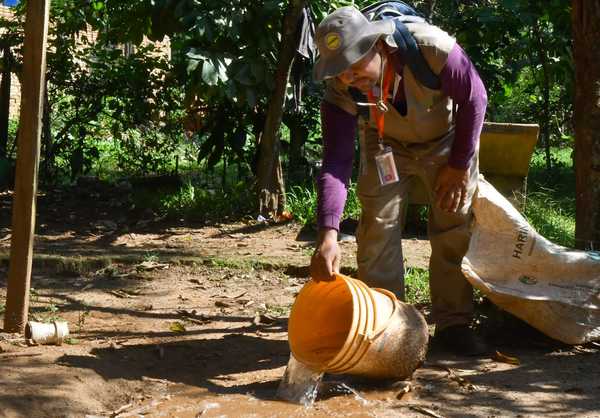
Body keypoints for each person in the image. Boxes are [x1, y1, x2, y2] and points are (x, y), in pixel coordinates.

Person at [309, 4, 489, 356]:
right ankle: (389, 328)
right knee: (376, 228)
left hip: (448, 140)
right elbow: (336, 160)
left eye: (354, 65)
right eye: (340, 71)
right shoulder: (340, 89)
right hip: (385, 143)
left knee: (453, 224)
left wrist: (457, 166)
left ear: (377, 46)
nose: (348, 78)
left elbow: (475, 98)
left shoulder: (432, 48)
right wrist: (328, 234)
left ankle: (454, 324)